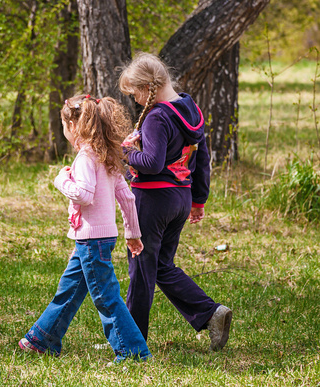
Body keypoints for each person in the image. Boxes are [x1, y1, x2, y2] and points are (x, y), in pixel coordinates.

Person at [18, 94, 151, 362]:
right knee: (69, 290)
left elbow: (84, 194)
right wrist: (133, 234)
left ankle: (134, 352)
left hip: (92, 240)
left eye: (64, 126)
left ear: (74, 127)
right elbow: (127, 197)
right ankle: (41, 339)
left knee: (107, 298)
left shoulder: (86, 157)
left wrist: (61, 180)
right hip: (97, 239)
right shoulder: (108, 157)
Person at [118, 52, 232, 351]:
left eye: (136, 94)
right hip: (180, 197)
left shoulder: (157, 116)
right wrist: (198, 199)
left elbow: (152, 163)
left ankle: (131, 343)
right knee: (161, 265)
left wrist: (126, 153)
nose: (138, 101)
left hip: (153, 199)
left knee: (142, 270)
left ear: (148, 88)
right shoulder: (189, 108)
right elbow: (203, 158)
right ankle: (210, 312)